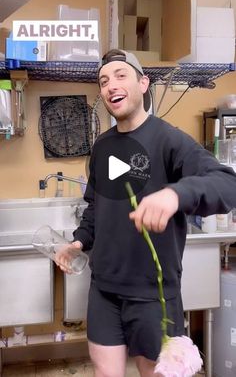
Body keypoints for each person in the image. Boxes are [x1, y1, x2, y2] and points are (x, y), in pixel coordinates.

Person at [59, 49, 236, 377]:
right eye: (103, 81)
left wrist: (175, 193)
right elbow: (97, 205)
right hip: (104, 288)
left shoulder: (169, 140)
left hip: (152, 293)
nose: (111, 85)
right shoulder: (102, 147)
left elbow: (227, 185)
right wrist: (80, 242)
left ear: (143, 83)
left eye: (120, 76)